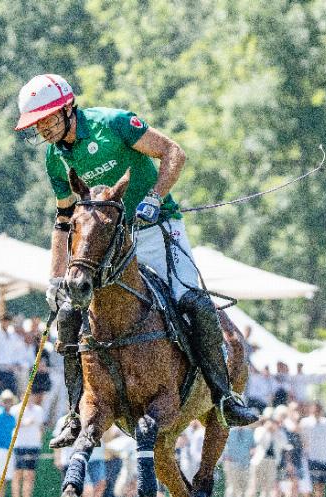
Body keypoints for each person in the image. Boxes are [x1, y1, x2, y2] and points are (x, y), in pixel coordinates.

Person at [14, 74, 257, 456]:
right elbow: (63, 221)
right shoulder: (55, 158)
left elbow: (173, 152)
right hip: (105, 246)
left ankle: (224, 396)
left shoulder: (114, 124)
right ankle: (76, 414)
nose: (42, 130)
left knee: (193, 301)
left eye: (46, 119)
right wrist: (55, 277)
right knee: (69, 314)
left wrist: (156, 198)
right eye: (35, 125)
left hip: (157, 229)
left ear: (66, 108)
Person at [10, 389, 45, 497]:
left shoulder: (38, 410)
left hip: (33, 445)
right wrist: (25, 423)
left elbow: (41, 428)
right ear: (21, 396)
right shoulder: (15, 410)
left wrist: (39, 442)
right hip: (19, 444)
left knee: (29, 475)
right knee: (17, 474)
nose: (29, 398)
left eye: (31, 395)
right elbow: (11, 425)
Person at [300, 402, 326, 497]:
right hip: (311, 458)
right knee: (308, 486)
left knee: (321, 486)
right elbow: (302, 439)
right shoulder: (305, 422)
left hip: (324, 458)